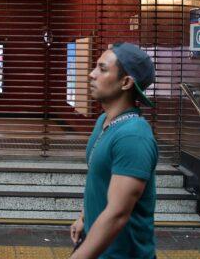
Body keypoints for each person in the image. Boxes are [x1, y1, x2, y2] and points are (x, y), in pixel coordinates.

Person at [70, 42, 158, 259]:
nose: (91, 74)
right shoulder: (104, 121)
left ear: (126, 82)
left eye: (102, 69)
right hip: (97, 245)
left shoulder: (133, 136)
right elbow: (99, 179)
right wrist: (84, 217)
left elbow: (118, 214)